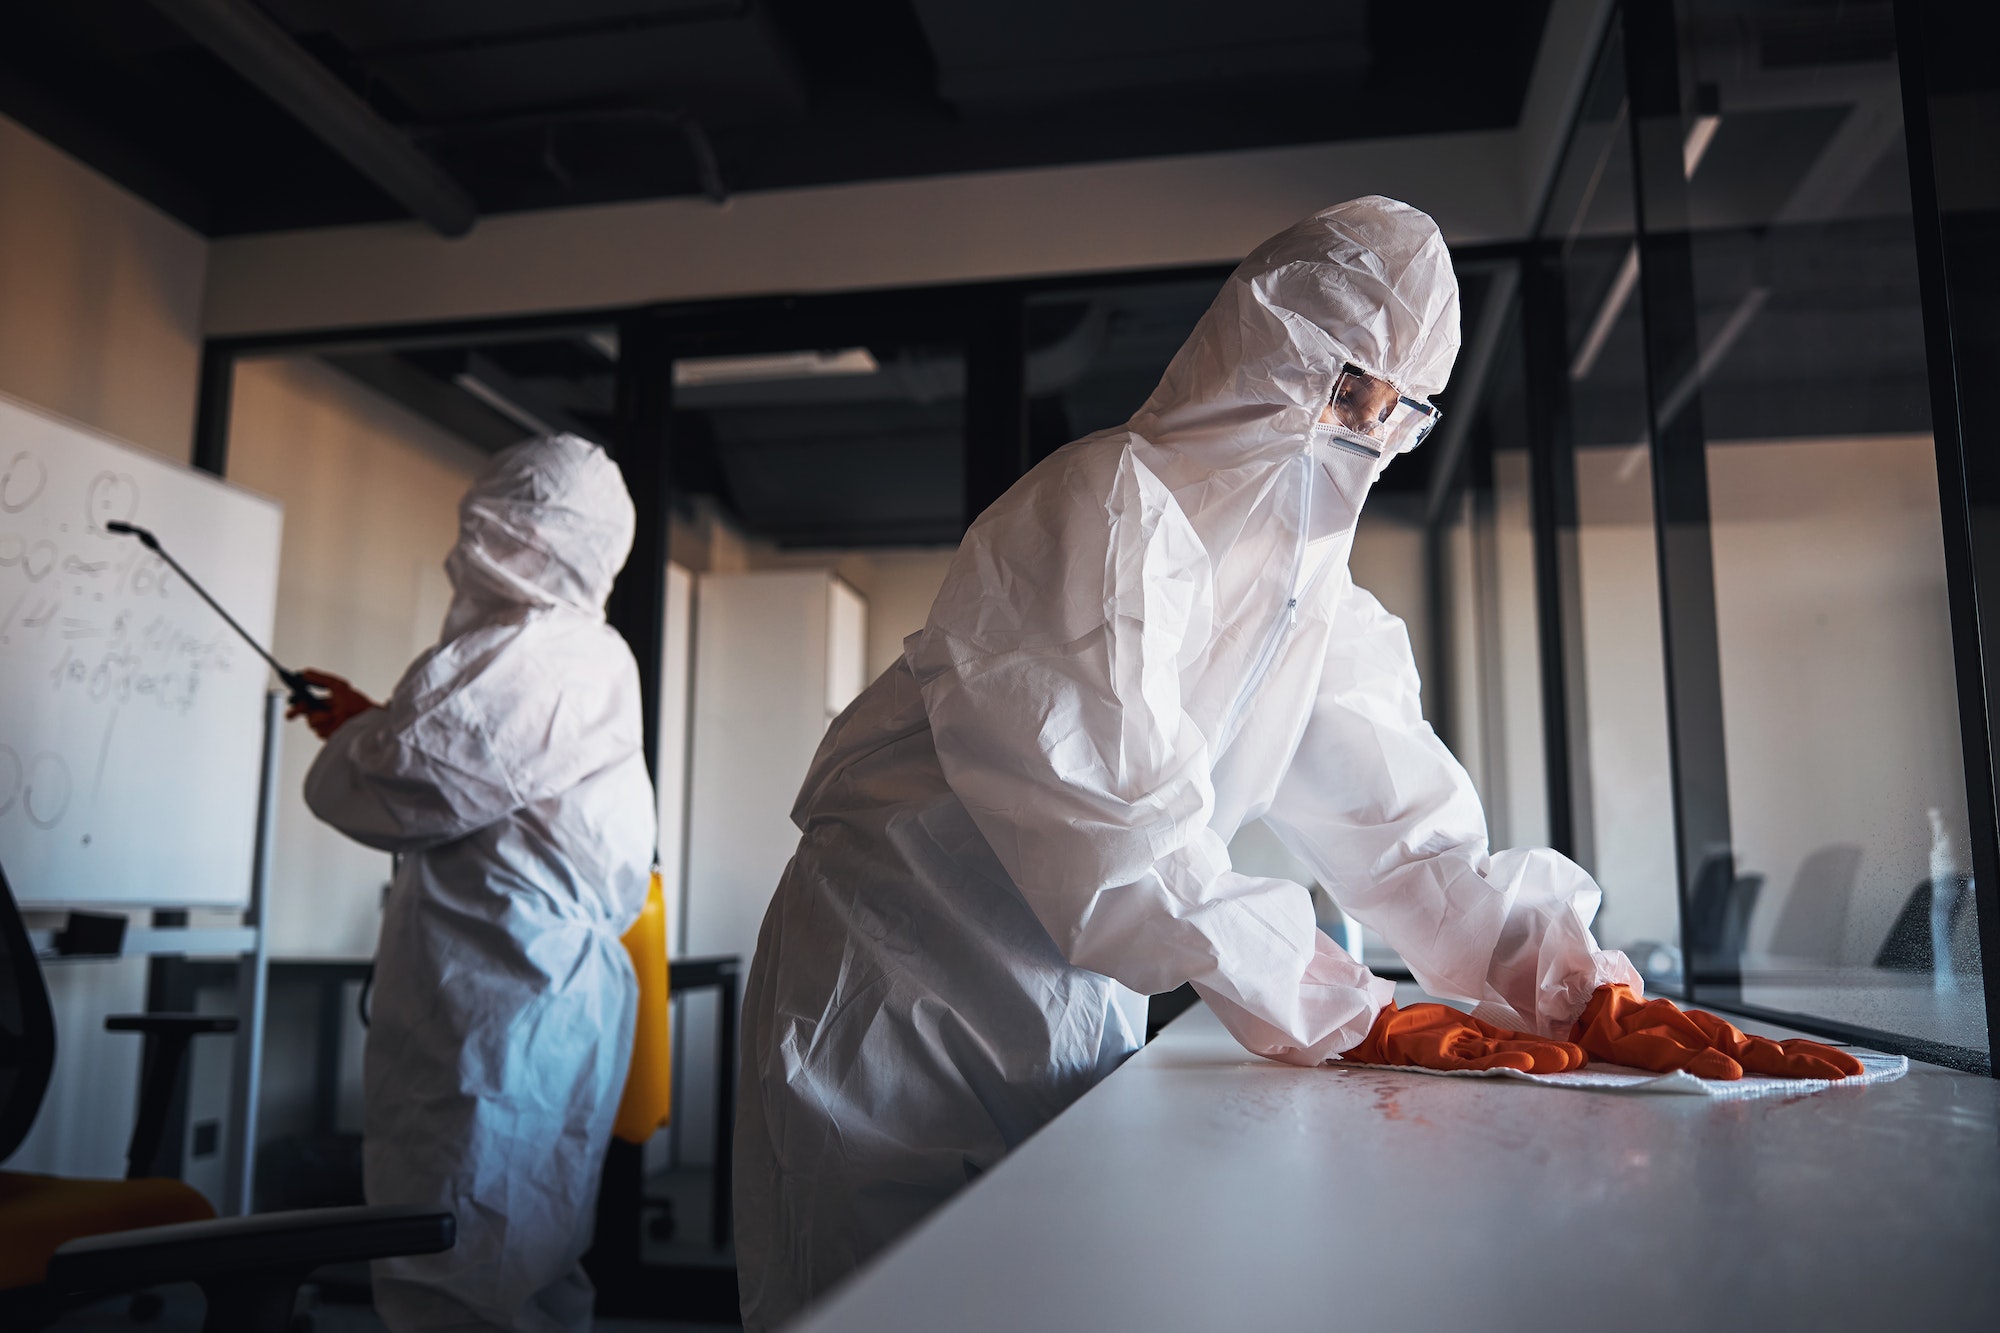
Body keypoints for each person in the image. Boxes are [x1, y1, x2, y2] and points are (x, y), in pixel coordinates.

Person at [733, 197, 1859, 1331]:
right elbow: (1119, 834)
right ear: (1260, 347)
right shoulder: (1101, 506)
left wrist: (1569, 980)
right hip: (887, 979)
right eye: (1342, 385)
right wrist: (1341, 1005)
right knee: (866, 1302)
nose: (1360, 431)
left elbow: (1410, 843)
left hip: (1064, 997)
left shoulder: (1313, 613)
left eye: (1396, 409)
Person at [293, 434, 656, 1333]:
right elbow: (471, 777)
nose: (469, 548)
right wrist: (375, 722)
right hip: (532, 998)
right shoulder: (580, 654)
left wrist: (359, 742)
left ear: (521, 533)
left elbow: (390, 788)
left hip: (498, 1004)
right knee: (530, 1260)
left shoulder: (533, 652)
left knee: (453, 1264)